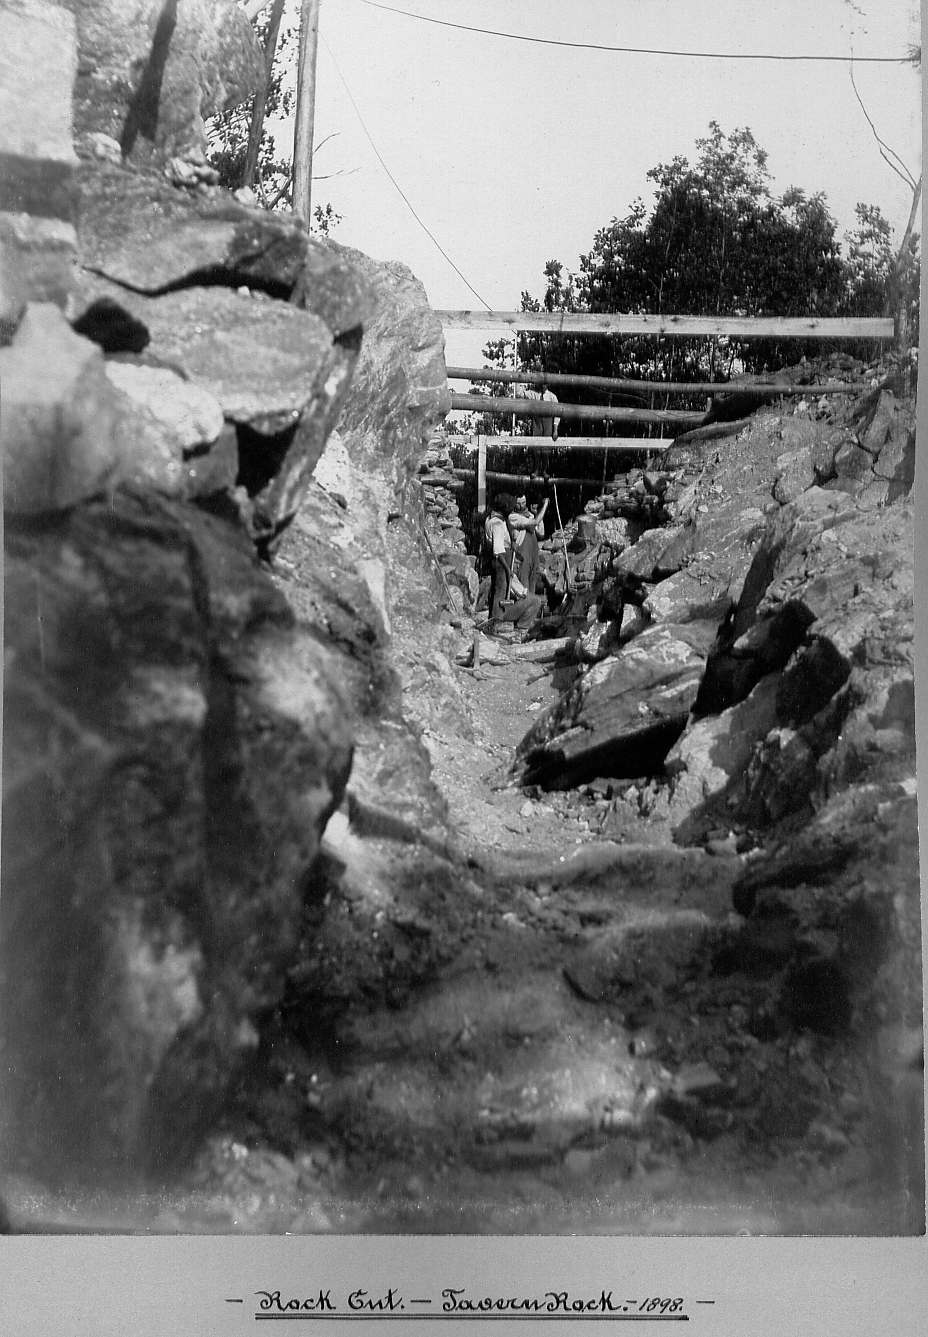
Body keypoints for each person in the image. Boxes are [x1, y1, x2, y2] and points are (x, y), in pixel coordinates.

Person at [483, 493, 544, 633]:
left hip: (503, 557)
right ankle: (497, 621)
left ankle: (496, 619)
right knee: (501, 591)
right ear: (504, 507)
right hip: (502, 560)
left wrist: (512, 545)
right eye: (509, 507)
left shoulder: (491, 519)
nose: (511, 509)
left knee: (500, 590)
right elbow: (498, 550)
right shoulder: (497, 524)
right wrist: (507, 569)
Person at [507, 492, 548, 595]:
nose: (521, 506)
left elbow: (541, 533)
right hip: (522, 556)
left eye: (523, 502)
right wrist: (545, 505)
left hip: (533, 554)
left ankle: (532, 606)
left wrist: (536, 513)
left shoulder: (530, 516)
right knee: (523, 585)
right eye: (518, 503)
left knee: (533, 582)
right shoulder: (513, 517)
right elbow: (534, 523)